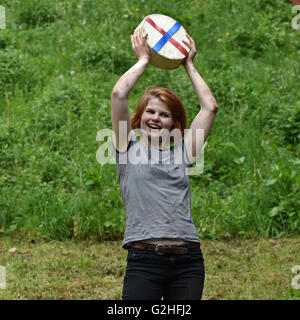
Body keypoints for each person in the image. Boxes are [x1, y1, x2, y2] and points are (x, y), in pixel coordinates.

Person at [111, 28, 218, 300]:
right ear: (140, 116)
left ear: (175, 123)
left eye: (164, 114)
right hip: (144, 260)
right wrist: (143, 60)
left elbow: (209, 108)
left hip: (188, 260)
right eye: (150, 111)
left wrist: (188, 64)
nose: (156, 118)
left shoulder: (184, 152)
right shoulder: (126, 147)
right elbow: (118, 94)